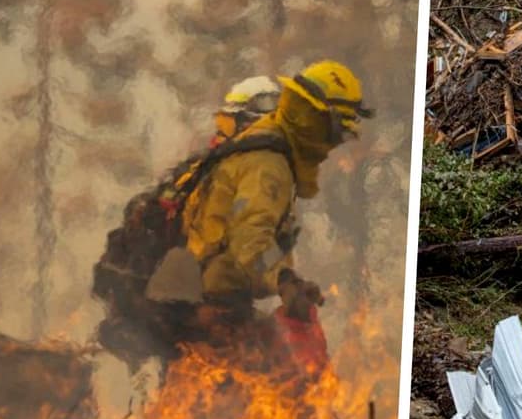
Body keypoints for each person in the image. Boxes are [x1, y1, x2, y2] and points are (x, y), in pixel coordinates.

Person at [180, 60, 373, 367]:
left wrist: (289, 279)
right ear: (317, 121)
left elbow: (254, 235)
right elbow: (249, 237)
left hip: (206, 302)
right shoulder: (268, 164)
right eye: (337, 133)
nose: (333, 145)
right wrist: (284, 281)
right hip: (205, 310)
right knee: (285, 375)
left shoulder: (267, 148)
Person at [92, 75, 282, 369]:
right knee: (270, 364)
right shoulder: (227, 175)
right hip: (195, 310)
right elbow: (221, 245)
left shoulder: (203, 168)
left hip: (174, 312)